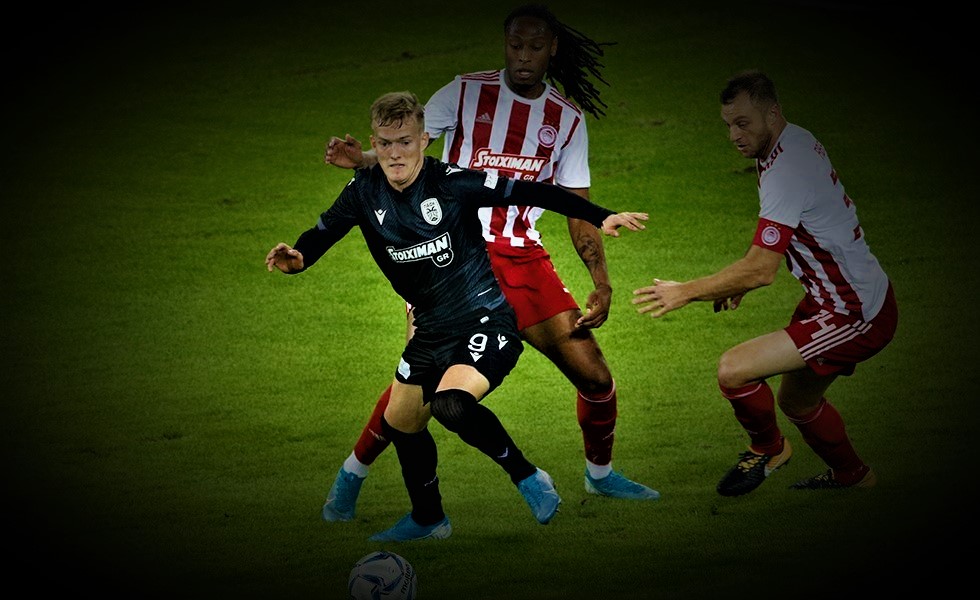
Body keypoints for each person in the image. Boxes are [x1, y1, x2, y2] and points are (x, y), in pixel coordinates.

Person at [319, 3, 659, 524]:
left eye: (534, 47)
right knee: (418, 387)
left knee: (594, 376)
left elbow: (576, 204)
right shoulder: (463, 93)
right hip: (452, 263)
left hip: (524, 260)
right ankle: (353, 473)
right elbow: (403, 148)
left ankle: (601, 474)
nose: (522, 56)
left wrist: (602, 281)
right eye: (514, 45)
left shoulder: (567, 120)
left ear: (552, 50)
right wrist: (362, 158)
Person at [267, 91, 647, 541]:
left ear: (423, 140)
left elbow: (532, 190)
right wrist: (298, 258)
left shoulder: (452, 183)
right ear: (374, 143)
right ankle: (429, 519)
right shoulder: (362, 192)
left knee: (452, 404)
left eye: (405, 142)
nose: (395, 154)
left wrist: (601, 216)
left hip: (484, 319)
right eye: (385, 144)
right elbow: (322, 232)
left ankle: (529, 477)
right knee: (402, 422)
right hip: (431, 328)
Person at [632, 70, 898, 496]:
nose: (734, 136)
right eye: (728, 125)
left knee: (734, 370)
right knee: (797, 401)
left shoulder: (786, 169)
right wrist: (736, 280)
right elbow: (780, 235)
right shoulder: (790, 142)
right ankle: (854, 478)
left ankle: (768, 450)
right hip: (836, 298)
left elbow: (761, 269)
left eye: (744, 123)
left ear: (773, 113)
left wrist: (685, 291)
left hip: (853, 312)